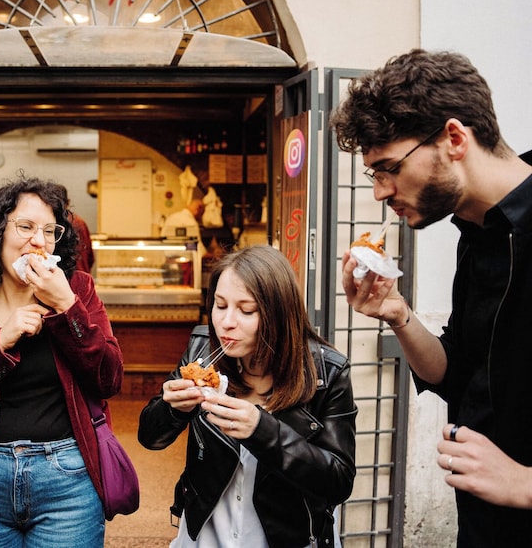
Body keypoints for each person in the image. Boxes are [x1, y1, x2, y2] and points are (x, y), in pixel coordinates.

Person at [330, 48, 532, 547]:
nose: (380, 192)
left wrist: (527, 485)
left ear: (454, 139)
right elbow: (454, 372)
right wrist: (397, 315)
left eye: (388, 168)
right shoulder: (476, 231)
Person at [0, 177, 125, 547]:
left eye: (50, 231)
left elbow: (109, 379)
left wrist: (67, 308)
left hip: (67, 477)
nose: (39, 241)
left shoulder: (77, 289)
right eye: (26, 227)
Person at [138, 245, 357, 547]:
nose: (227, 321)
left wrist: (262, 430)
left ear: (279, 313)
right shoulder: (203, 352)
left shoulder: (326, 372)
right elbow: (149, 437)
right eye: (220, 304)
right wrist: (171, 409)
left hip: (288, 537)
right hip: (207, 534)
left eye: (246, 310)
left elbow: (338, 481)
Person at [59, 185, 94, 273]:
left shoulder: (55, 224)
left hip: (64, 277)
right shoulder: (80, 222)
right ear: (68, 202)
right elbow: (91, 257)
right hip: (82, 276)